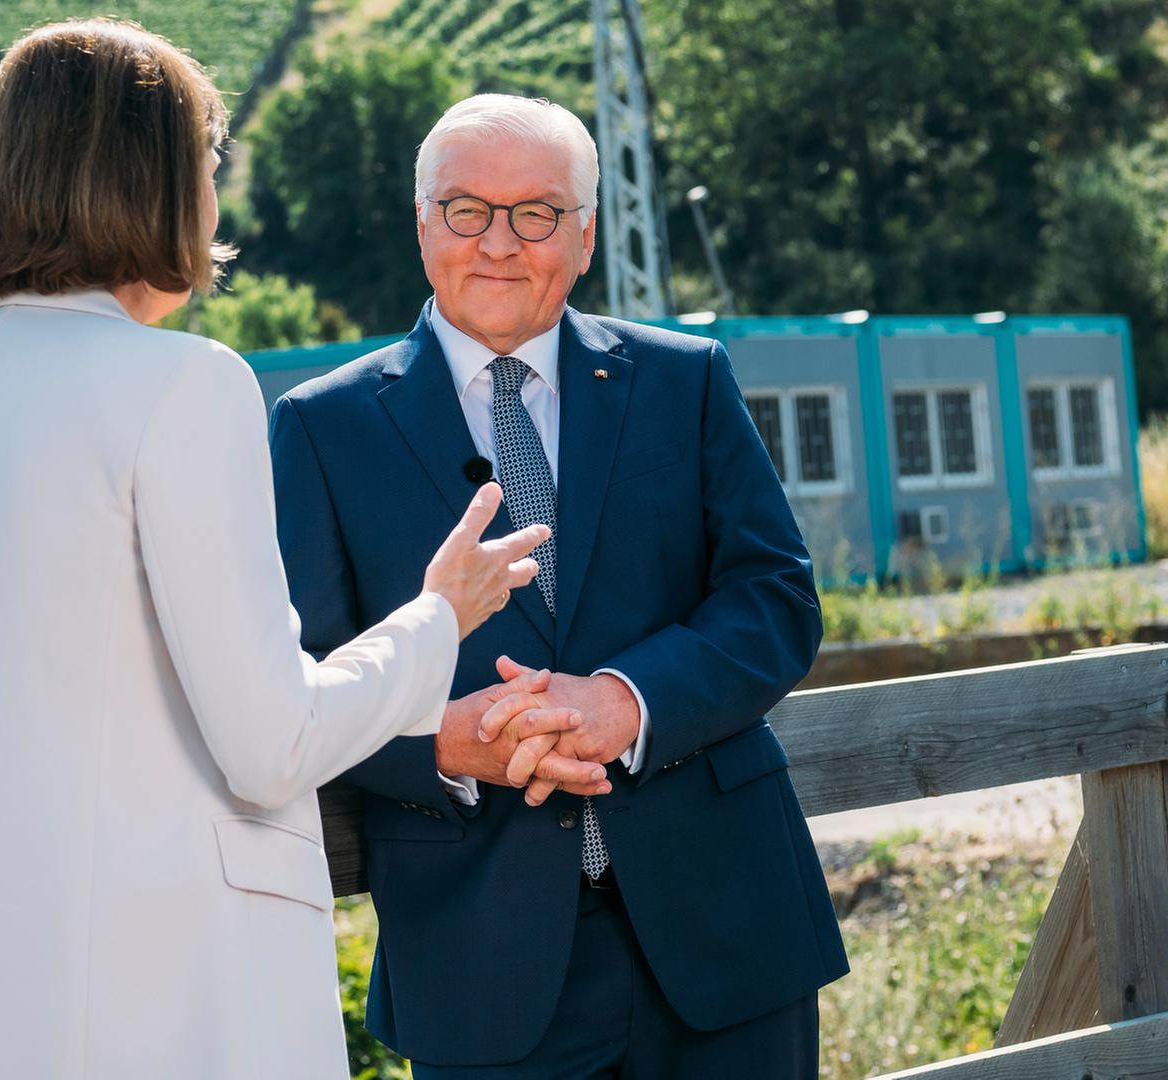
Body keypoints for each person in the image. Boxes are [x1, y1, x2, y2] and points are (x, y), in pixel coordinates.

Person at [0, 25, 561, 1080]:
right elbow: (270, 747)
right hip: (166, 989)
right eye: (205, 171)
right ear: (151, 185)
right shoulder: (186, 387)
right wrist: (437, 617)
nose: (214, 207)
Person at [270, 94, 848, 1078]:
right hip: (480, 963)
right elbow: (301, 673)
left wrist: (628, 702)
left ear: (583, 237)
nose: (498, 242)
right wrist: (442, 740)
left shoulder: (687, 379)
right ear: (422, 226)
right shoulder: (321, 429)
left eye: (535, 212)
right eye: (465, 209)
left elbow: (775, 599)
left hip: (727, 936)